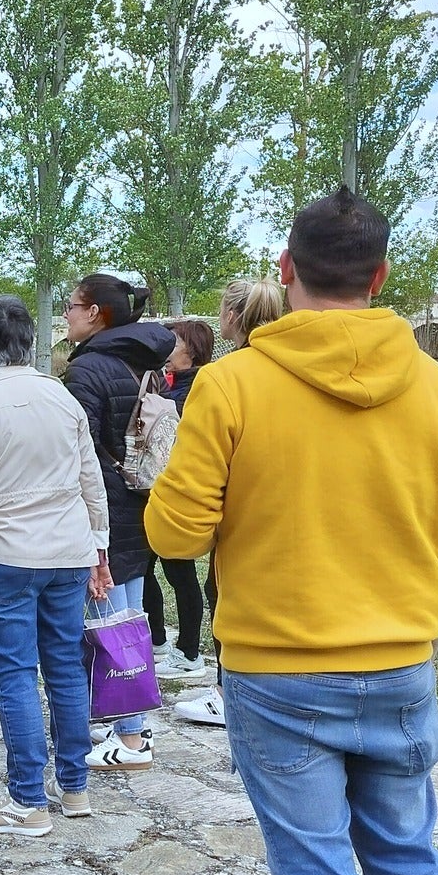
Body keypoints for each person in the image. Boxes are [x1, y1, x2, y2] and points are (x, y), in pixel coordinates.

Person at [147, 188, 438, 875]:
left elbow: (175, 530)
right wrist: (412, 624)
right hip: (400, 663)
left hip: (279, 673)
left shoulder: (234, 386)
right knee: (411, 866)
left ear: (286, 272)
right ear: (382, 279)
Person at [0, 296, 108, 837]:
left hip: (2, 554)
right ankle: (74, 786)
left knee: (14, 674)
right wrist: (98, 544)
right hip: (67, 553)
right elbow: (90, 480)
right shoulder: (62, 399)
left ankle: (28, 799)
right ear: (28, 343)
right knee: (64, 668)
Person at [61, 273, 176, 772]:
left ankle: (128, 736)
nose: (66, 314)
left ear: (95, 314)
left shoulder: (88, 370)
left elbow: (76, 447)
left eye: (71, 306)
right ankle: (130, 727)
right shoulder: (143, 360)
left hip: (104, 502)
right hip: (140, 494)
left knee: (108, 616)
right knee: (128, 613)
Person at [171, 277, 287, 730]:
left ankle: (228, 691)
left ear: (233, 317)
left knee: (223, 592)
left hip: (239, 508)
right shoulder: (286, 365)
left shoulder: (229, 375)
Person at [140, 317, 217, 680]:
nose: (166, 349)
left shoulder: (199, 387)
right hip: (158, 489)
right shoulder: (170, 384)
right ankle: (158, 639)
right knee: (147, 568)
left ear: (193, 349)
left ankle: (189, 652)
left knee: (180, 572)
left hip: (181, 492)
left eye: (173, 343)